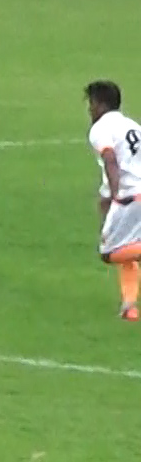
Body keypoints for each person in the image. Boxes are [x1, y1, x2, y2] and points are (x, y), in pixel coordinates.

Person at [85, 80, 141, 320]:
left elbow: (110, 160)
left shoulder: (100, 128)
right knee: (128, 249)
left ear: (100, 104)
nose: (89, 110)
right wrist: (106, 195)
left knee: (110, 252)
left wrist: (115, 195)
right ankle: (129, 307)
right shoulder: (132, 126)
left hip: (130, 197)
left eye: (91, 104)